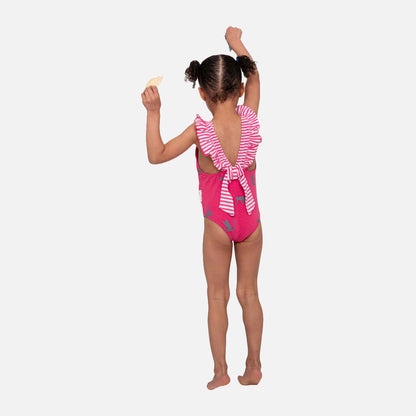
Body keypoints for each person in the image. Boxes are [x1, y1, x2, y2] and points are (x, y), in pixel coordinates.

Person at [141, 27, 263, 390]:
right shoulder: (250, 117)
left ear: (202, 93)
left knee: (216, 296)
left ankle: (221, 371)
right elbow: (256, 76)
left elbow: (156, 155)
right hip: (251, 221)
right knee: (249, 293)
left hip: (218, 225)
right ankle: (254, 366)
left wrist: (153, 112)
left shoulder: (200, 132)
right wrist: (236, 43)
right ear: (239, 89)